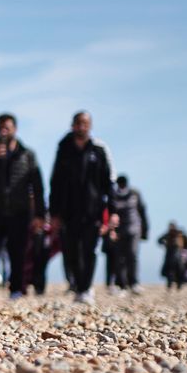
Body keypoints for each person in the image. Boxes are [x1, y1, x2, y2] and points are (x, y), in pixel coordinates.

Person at [0, 113, 45, 300]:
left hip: (19, 211)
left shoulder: (27, 154)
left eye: (7, 127)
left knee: (18, 251)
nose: (3, 130)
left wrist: (40, 214)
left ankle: (16, 289)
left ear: (15, 129)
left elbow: (37, 185)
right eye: (0, 127)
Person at [48, 111, 115, 305]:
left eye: (85, 123)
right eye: (78, 123)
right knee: (70, 251)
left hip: (92, 210)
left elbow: (108, 183)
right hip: (68, 211)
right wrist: (54, 213)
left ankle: (86, 288)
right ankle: (77, 285)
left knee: (89, 250)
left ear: (90, 126)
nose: (81, 127)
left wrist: (112, 211)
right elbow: (55, 182)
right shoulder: (64, 150)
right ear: (72, 125)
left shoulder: (99, 151)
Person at [108, 175, 148, 294]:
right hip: (119, 231)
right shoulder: (113, 195)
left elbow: (142, 211)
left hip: (134, 230)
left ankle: (134, 283)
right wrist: (111, 231)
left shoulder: (135, 194)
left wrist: (145, 230)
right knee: (119, 258)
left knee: (132, 255)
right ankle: (121, 284)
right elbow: (110, 213)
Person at [157, 222, 187, 290]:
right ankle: (170, 285)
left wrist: (186, 250)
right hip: (169, 254)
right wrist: (164, 243)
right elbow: (159, 240)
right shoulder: (168, 234)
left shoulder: (180, 234)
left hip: (178, 254)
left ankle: (179, 284)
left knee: (179, 269)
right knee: (170, 270)